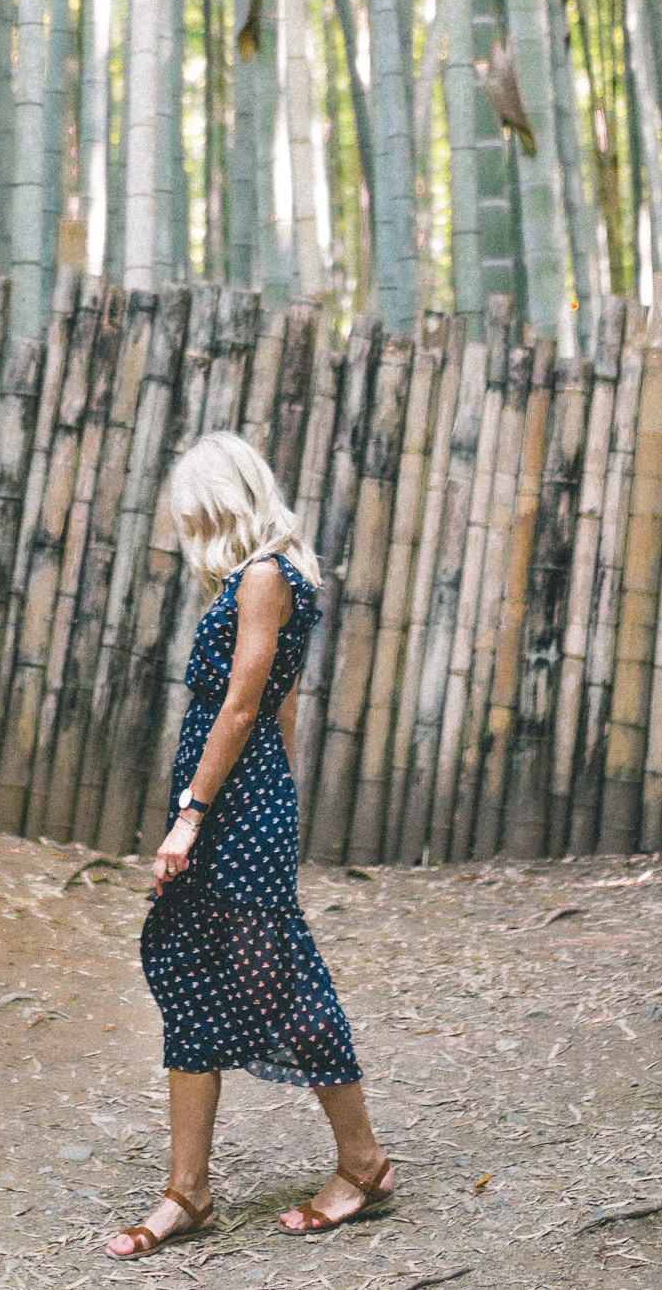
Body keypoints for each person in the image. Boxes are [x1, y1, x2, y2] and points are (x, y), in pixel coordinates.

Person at [104, 431, 396, 1260]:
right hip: (243, 798)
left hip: (229, 800)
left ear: (222, 502)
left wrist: (194, 813)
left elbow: (242, 706)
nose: (187, 527)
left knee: (279, 980)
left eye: (192, 512)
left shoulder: (266, 576)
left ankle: (365, 1163)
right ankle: (186, 1191)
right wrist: (272, 802)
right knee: (192, 970)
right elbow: (284, 710)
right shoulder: (279, 577)